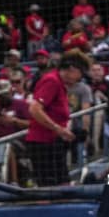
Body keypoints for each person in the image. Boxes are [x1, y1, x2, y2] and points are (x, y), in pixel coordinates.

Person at [26, 49, 91, 186]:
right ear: (72, 69)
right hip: (43, 144)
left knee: (63, 185)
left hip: (54, 143)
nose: (80, 78)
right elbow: (35, 108)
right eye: (81, 74)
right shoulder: (52, 81)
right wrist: (58, 128)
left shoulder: (60, 84)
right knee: (50, 190)